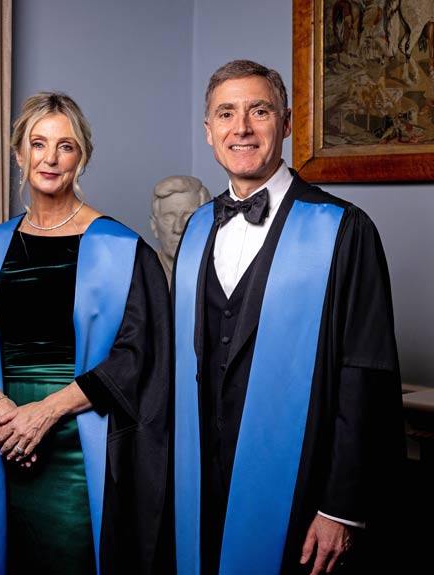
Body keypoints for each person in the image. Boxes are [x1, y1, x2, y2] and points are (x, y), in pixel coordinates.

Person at [172, 60, 403, 575]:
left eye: (260, 111)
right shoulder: (195, 230)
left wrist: (340, 507)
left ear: (287, 122)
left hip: (303, 484)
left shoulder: (344, 229)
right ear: (208, 131)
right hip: (203, 482)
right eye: (226, 114)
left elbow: (365, 373)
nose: (242, 128)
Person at [0, 92, 173, 574]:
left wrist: (47, 411)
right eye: (38, 144)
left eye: (66, 146)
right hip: (2, 439)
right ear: (19, 154)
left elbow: (140, 355)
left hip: (82, 445)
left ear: (83, 158)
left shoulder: (123, 249)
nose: (50, 159)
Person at [150, 175, 211, 283]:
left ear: (207, 224)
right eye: (168, 217)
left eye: (189, 217)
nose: (178, 229)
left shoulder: (222, 275)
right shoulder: (139, 278)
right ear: (154, 225)